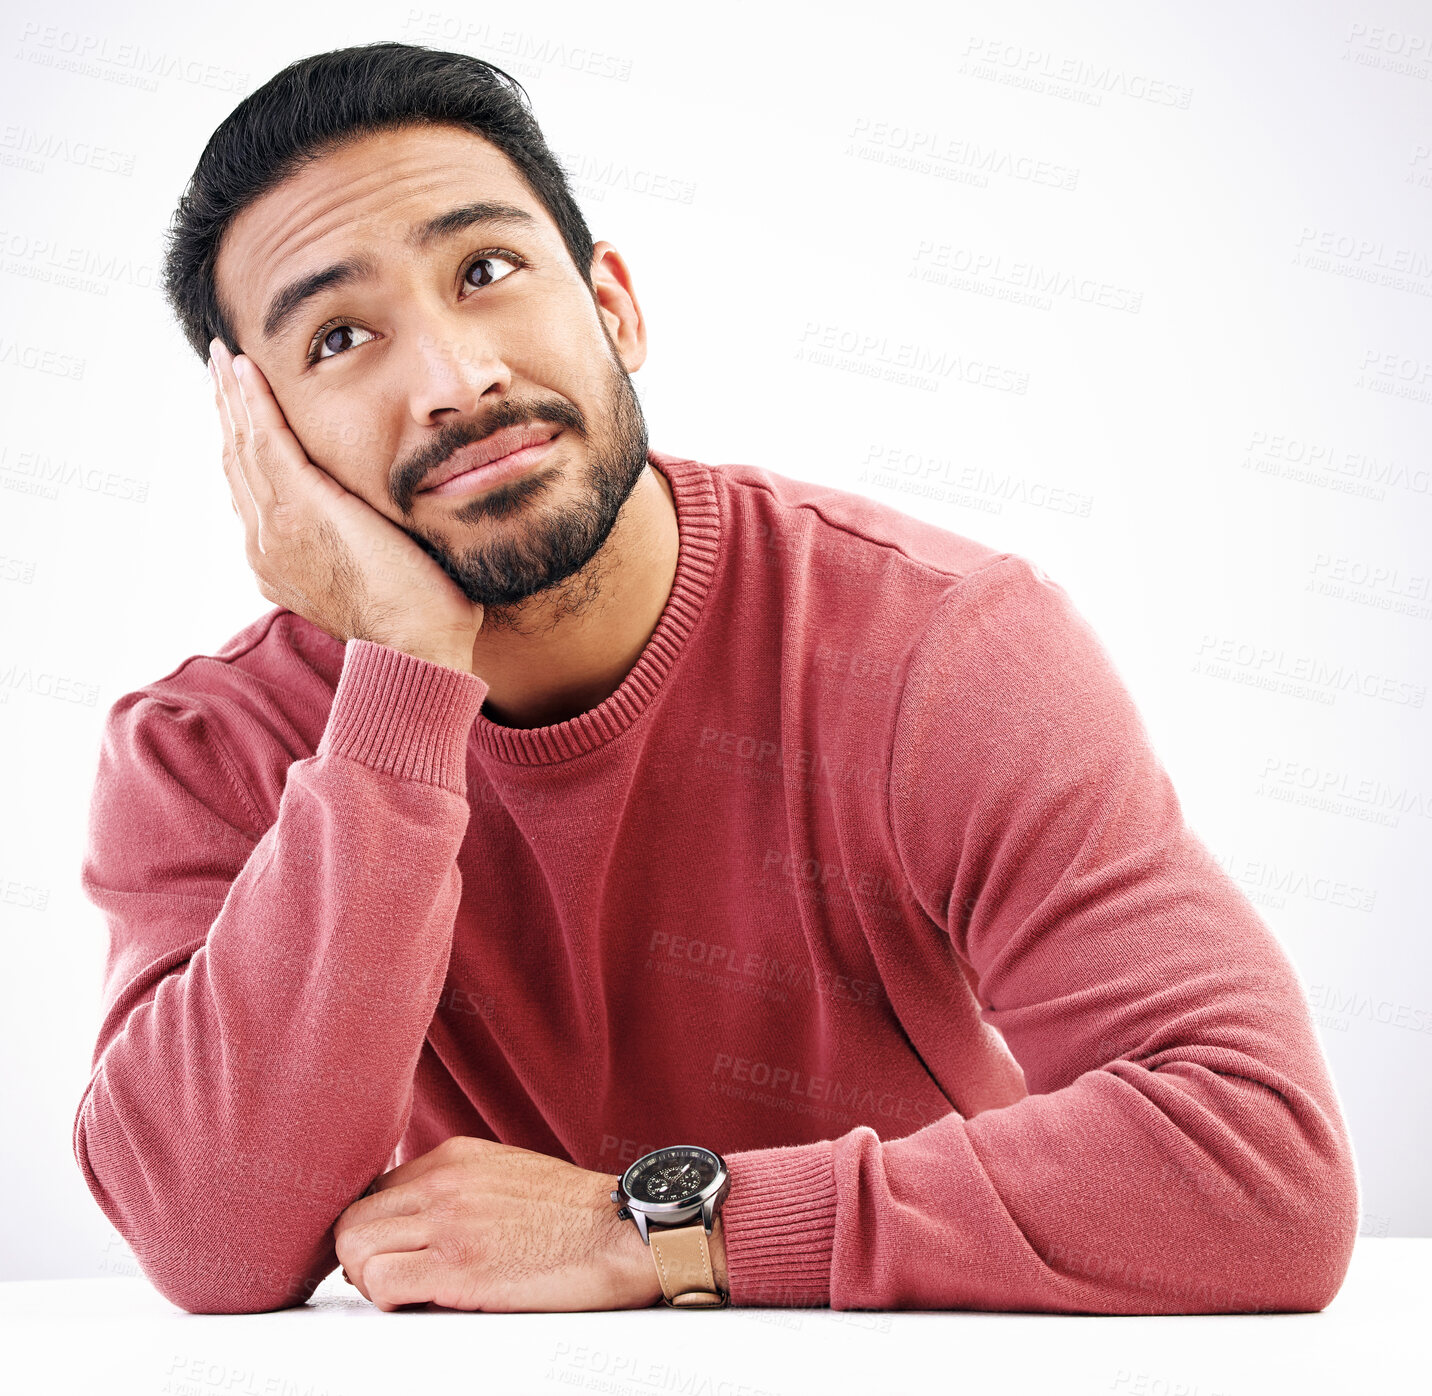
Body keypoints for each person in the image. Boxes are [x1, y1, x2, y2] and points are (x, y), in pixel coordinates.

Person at [73, 42, 1360, 1316]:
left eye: (486, 270)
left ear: (615, 307)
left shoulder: (936, 646)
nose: (455, 382)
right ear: (262, 439)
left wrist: (651, 1227)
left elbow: (1260, 1167)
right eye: (340, 337)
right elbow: (212, 1243)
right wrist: (401, 679)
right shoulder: (207, 748)